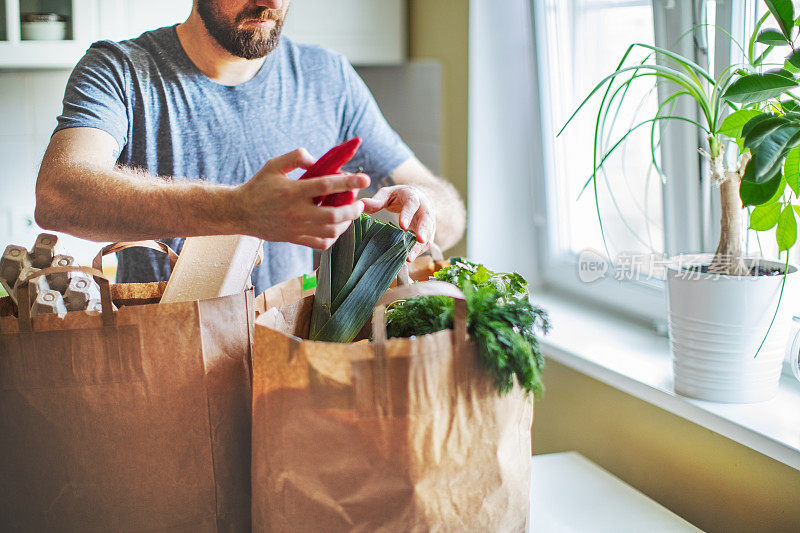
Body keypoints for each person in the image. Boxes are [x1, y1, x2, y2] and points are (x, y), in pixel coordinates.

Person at [35, 0, 465, 294]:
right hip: (166, 366)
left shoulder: (328, 76)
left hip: (294, 358)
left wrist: (422, 205)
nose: (272, 2)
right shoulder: (121, 70)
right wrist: (238, 210)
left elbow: (450, 214)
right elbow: (59, 195)